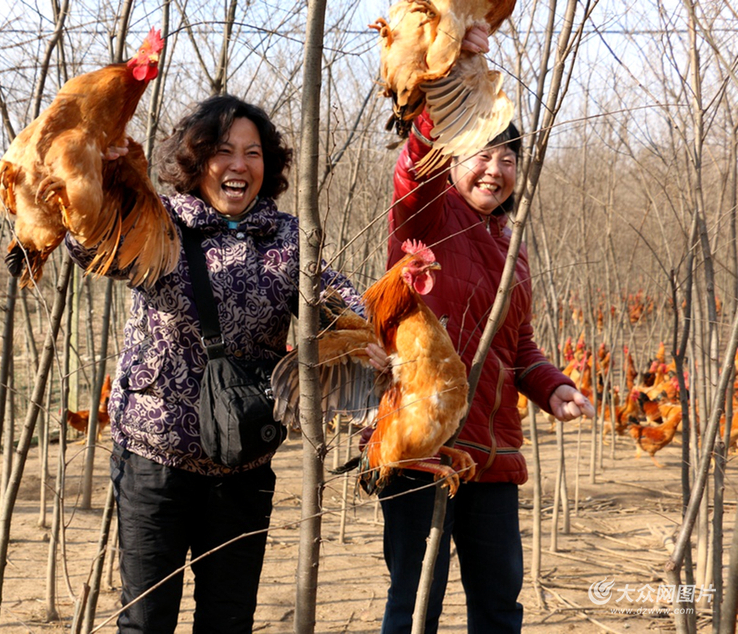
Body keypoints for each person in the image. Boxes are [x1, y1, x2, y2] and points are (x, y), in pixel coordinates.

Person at [67, 95, 365, 633]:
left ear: (266, 167)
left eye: (253, 153)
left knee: (228, 622)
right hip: (155, 461)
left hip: (243, 465)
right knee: (145, 619)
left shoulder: (290, 239)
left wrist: (368, 332)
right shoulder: (158, 223)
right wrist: (95, 175)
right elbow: (91, 246)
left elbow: (343, 300)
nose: (239, 165)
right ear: (199, 160)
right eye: (224, 150)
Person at [375, 25, 595, 634]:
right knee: (415, 604)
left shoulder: (512, 244)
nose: (495, 169)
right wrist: (455, 74)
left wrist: (552, 388)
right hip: (422, 450)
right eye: (481, 153)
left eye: (507, 157)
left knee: (499, 606)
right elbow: (414, 166)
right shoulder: (428, 211)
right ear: (455, 154)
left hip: (494, 454)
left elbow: (515, 344)